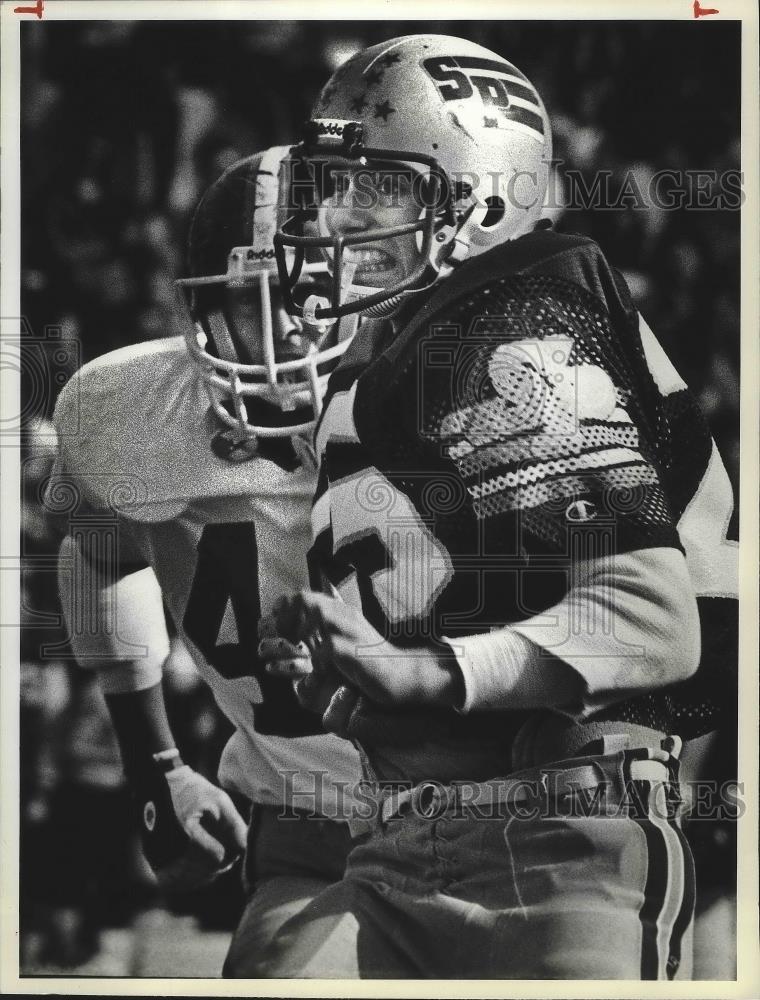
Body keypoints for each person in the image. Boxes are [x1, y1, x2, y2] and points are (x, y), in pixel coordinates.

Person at [262, 34, 738, 979]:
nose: (333, 217)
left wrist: (428, 674)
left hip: (556, 824)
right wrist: (352, 679)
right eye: (330, 184)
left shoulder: (513, 313)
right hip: (405, 828)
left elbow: (649, 621)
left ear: (475, 203)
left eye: (378, 188)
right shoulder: (402, 353)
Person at [47, 148, 364, 976]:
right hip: (310, 815)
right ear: (199, 312)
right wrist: (158, 769)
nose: (291, 329)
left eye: (315, 298)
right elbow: (100, 558)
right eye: (253, 303)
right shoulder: (130, 414)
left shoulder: (469, 404)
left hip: (499, 817)